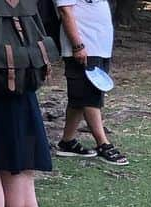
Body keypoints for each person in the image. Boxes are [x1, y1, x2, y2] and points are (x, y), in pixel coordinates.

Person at [54, 0, 128, 166]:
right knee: (90, 96)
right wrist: (78, 46)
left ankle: (67, 141)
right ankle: (103, 143)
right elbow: (65, 11)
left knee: (79, 97)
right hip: (83, 47)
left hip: (99, 46)